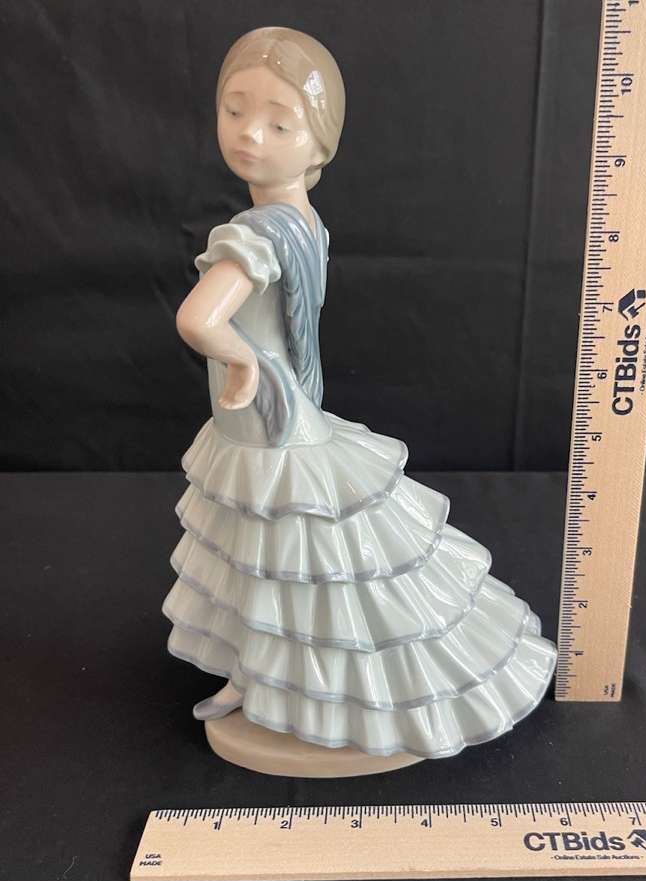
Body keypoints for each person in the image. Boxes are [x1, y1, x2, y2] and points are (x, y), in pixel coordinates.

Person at [163, 26, 558, 765]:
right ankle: (259, 677)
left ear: (320, 145)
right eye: (234, 110)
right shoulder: (304, 224)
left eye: (279, 123)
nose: (249, 134)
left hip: (270, 426)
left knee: (299, 560)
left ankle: (316, 693)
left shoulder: (258, 234)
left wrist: (239, 358)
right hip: (261, 424)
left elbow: (197, 319)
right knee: (263, 556)